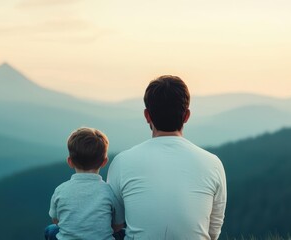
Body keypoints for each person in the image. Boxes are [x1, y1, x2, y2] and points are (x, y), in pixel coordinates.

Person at [107, 75, 227, 240]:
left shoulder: (122, 161)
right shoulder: (213, 163)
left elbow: (115, 224)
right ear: (186, 116)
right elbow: (213, 232)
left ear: (147, 115)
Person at [45, 127, 125, 240]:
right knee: (123, 233)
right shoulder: (110, 192)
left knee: (50, 229)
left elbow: (56, 220)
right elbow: (118, 225)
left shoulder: (60, 190)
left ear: (70, 162)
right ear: (104, 162)